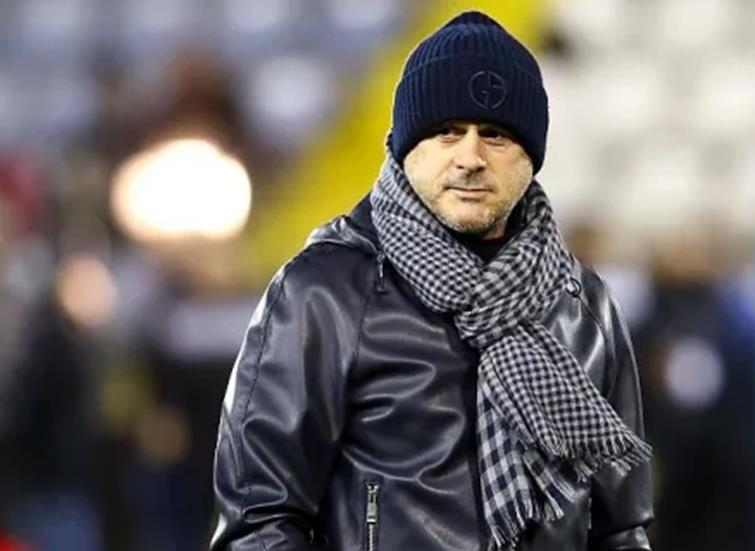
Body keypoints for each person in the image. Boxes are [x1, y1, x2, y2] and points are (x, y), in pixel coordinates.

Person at [210, 11, 654, 551]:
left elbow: (620, 530)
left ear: (531, 156)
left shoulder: (583, 307)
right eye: (447, 132)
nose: (470, 158)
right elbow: (259, 521)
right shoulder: (325, 294)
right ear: (406, 147)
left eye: (495, 135)